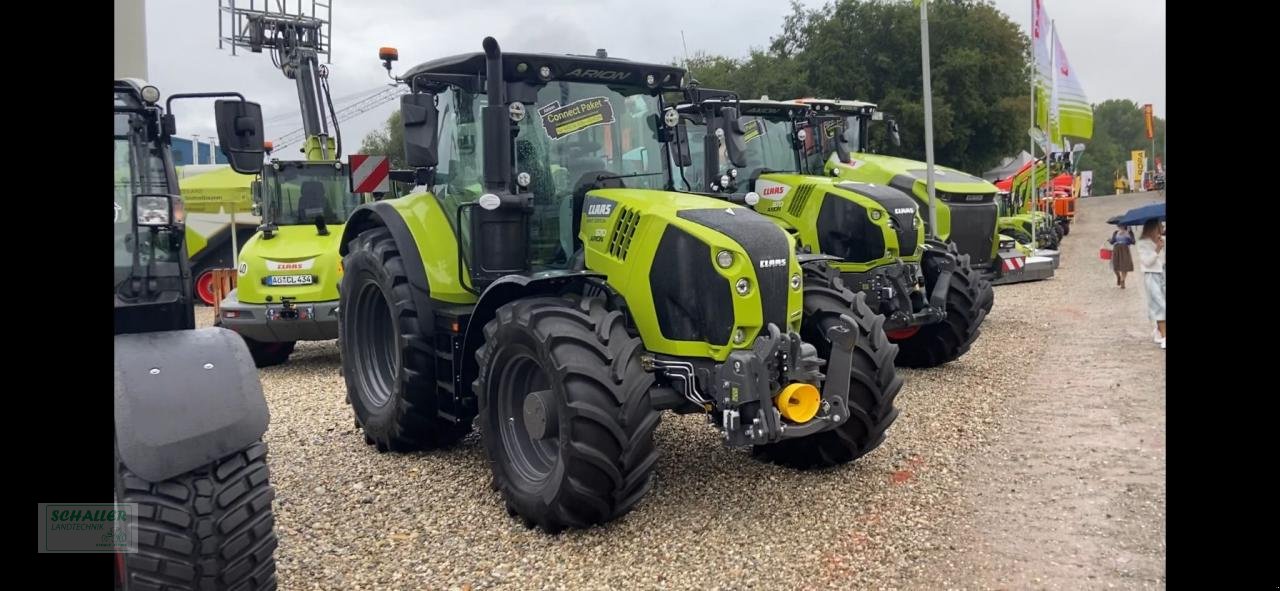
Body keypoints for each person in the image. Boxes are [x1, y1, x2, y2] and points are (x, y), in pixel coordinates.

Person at [1136, 219, 1166, 349]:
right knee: (1159, 305)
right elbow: (1147, 262)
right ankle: (1164, 335)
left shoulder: (1162, 240)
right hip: (1151, 275)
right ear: (1154, 228)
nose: (1162, 229)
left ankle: (1159, 331)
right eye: (1160, 227)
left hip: (1163, 273)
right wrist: (1157, 249)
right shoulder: (1143, 243)